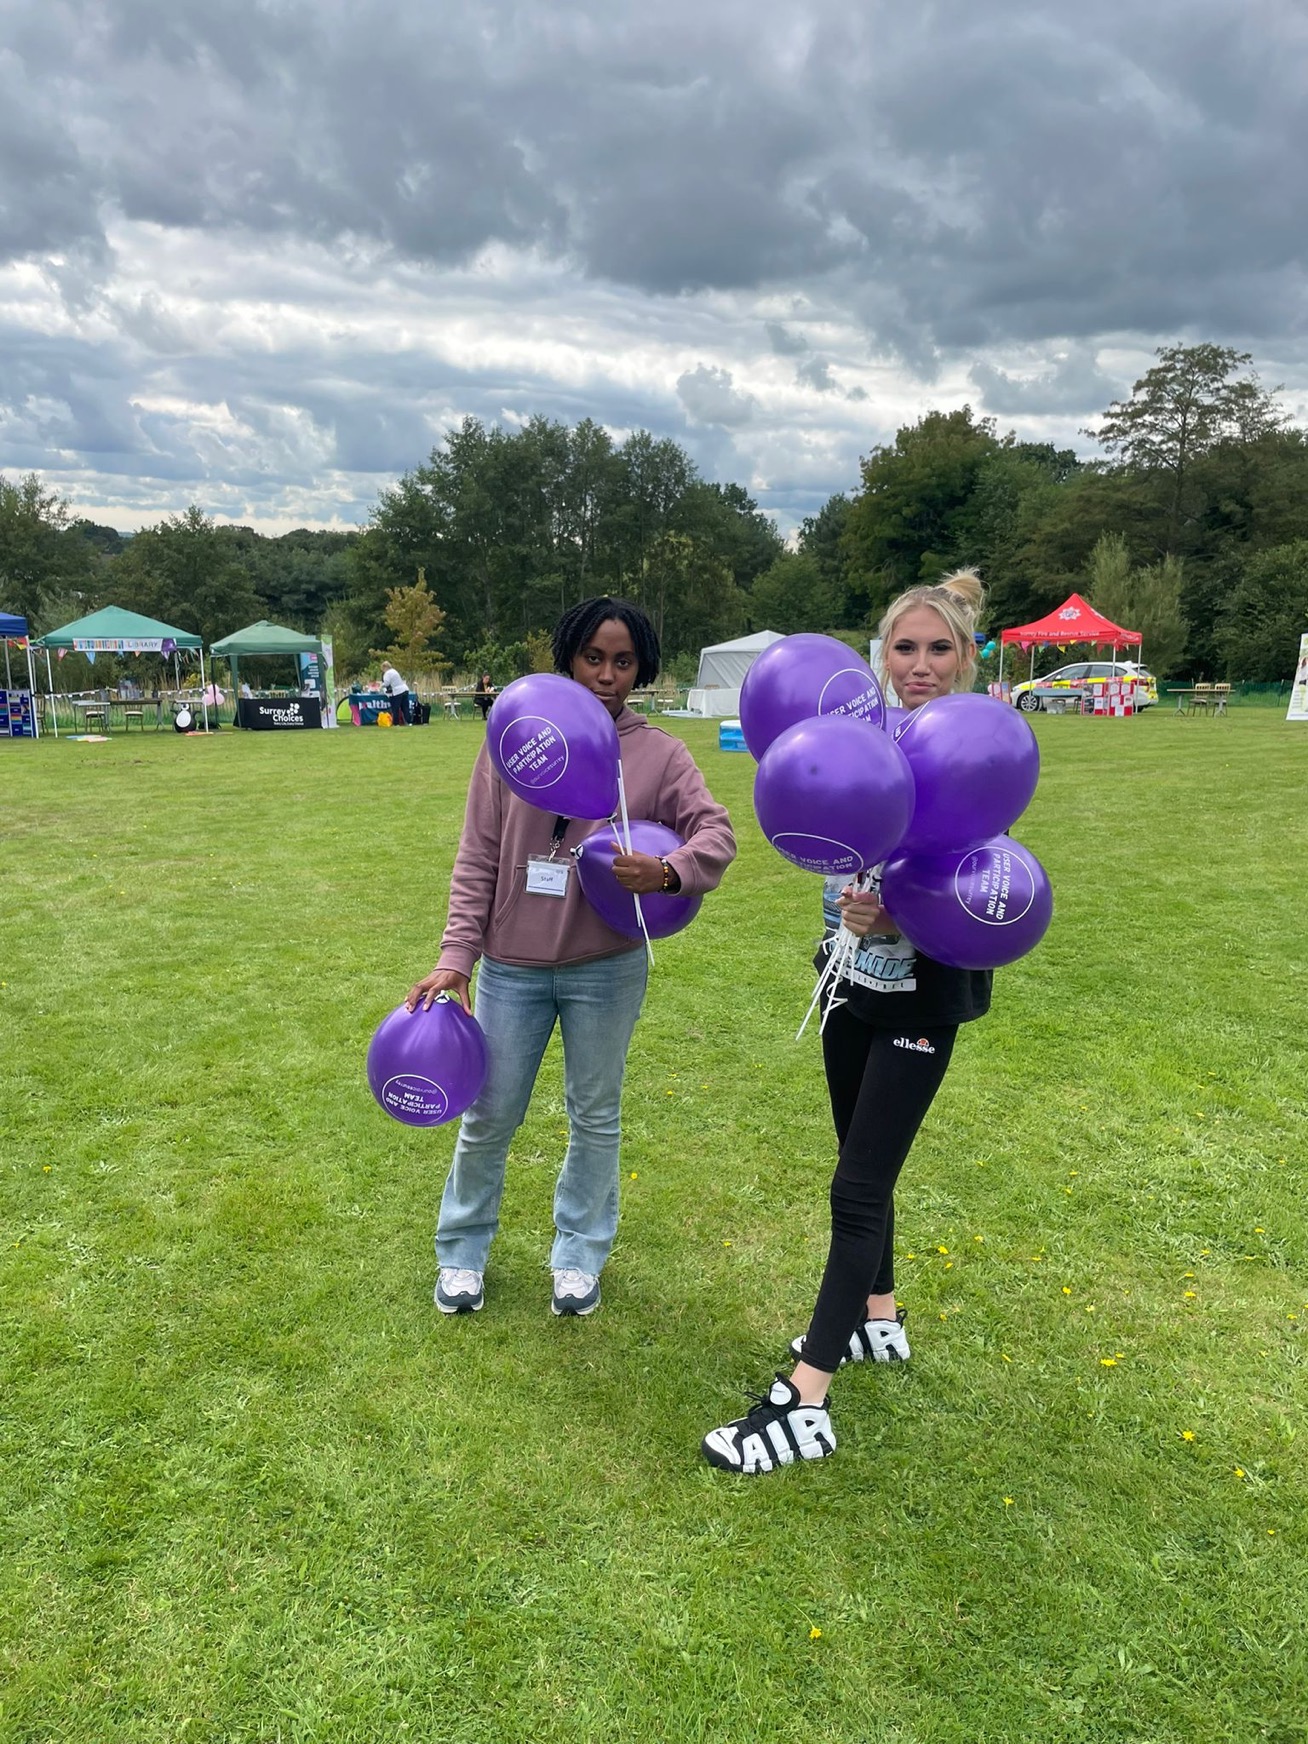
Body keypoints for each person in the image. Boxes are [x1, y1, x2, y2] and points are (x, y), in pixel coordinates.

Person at [702, 568, 995, 1475]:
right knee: (861, 1165)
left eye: (937, 648)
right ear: (881, 658)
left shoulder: (979, 749)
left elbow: (990, 887)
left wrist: (907, 915)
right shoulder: (863, 738)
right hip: (848, 987)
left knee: (858, 1190)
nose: (919, 664)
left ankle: (806, 1400)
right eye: (903, 648)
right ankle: (877, 1317)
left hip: (922, 998)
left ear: (966, 656)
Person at [406, 597, 736, 1319]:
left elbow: (716, 833)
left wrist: (670, 870)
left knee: (595, 1114)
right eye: (593, 657)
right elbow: (478, 856)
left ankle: (579, 1256)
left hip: (606, 966)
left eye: (623, 662)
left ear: (641, 669)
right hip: (512, 969)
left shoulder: (661, 753)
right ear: (569, 658)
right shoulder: (515, 738)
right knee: (489, 1113)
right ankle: (461, 1254)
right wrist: (457, 956)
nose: (607, 675)